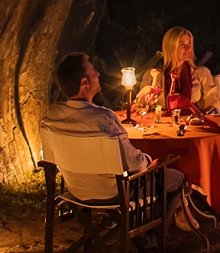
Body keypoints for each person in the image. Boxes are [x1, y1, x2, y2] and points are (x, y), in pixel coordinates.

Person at [42, 54, 183, 202]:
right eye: (93, 71)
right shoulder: (103, 119)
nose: (98, 74)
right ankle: (159, 223)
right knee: (176, 177)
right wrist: (149, 160)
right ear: (84, 82)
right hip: (115, 193)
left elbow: (49, 160)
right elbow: (134, 164)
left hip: (76, 191)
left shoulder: (51, 117)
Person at [139, 27, 220, 115]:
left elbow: (213, 104)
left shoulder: (201, 74)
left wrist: (201, 116)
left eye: (189, 43)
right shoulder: (153, 75)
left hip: (193, 122)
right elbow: (140, 105)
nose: (188, 47)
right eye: (182, 44)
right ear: (170, 47)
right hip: (163, 124)